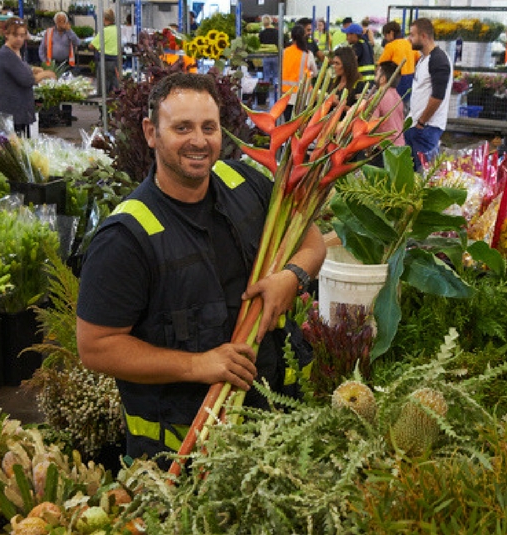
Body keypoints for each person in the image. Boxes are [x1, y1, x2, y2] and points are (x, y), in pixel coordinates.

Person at [76, 73, 327, 466]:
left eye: (208, 127)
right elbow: (95, 347)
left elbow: (313, 240)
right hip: (181, 460)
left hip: (276, 429)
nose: (199, 140)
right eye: (182, 127)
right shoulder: (126, 237)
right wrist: (199, 365)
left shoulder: (245, 183)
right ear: (151, 132)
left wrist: (292, 277)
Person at [0, 17, 56, 136]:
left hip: (18, 110)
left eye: (22, 35)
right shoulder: (6, 54)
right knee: (13, 148)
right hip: (8, 111)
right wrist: (46, 74)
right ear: (6, 34)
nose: (19, 39)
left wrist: (33, 69)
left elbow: (19, 69)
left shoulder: (17, 51)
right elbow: (26, 80)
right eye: (15, 35)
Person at [405, 18, 452, 171]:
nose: (409, 38)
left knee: (425, 175)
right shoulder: (423, 59)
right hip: (417, 126)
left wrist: (422, 122)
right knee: (414, 174)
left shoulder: (438, 59)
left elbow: (438, 96)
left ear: (423, 36)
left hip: (427, 128)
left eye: (412, 35)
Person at [369, 60, 406, 166]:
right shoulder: (398, 97)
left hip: (383, 150)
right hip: (399, 148)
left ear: (383, 79)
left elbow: (371, 126)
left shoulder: (378, 97)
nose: (375, 76)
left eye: (377, 73)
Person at [280, 24, 318, 121]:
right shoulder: (307, 54)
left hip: (286, 96)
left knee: (288, 126)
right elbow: (315, 73)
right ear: (304, 36)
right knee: (300, 127)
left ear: (291, 37)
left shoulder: (284, 52)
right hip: (303, 97)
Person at [378, 20, 418, 101]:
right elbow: (418, 58)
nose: (385, 38)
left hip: (397, 80)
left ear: (391, 33)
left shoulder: (390, 46)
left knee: (395, 103)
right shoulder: (409, 44)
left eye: (385, 35)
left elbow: (381, 64)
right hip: (411, 79)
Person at [88, 8, 120, 95]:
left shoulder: (104, 31)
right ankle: (114, 103)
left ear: (105, 19)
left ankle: (104, 105)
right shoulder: (117, 29)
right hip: (116, 61)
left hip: (104, 61)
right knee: (114, 83)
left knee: (104, 85)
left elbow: (91, 45)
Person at [343, 23, 375, 91]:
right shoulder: (367, 43)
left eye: (347, 35)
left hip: (361, 83)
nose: (346, 38)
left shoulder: (358, 45)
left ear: (354, 35)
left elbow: (351, 62)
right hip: (370, 83)